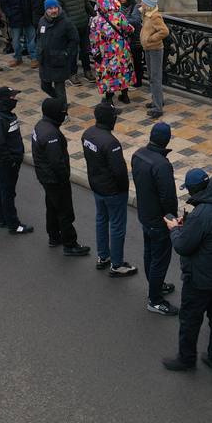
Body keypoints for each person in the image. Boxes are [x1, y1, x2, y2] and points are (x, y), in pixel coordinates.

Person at [162, 169, 212, 372]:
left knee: (189, 319)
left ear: (193, 190)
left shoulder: (201, 214)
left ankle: (186, 359)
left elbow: (183, 246)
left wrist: (175, 229)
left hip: (200, 278)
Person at [78, 100, 135, 275]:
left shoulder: (87, 134)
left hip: (97, 186)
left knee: (101, 220)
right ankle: (117, 264)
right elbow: (119, 171)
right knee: (117, 226)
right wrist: (124, 188)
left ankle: (103, 256)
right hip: (113, 191)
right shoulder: (111, 143)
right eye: (115, 116)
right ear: (110, 119)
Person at [31, 97, 91, 256]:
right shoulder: (51, 134)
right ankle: (70, 244)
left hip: (46, 177)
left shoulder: (40, 126)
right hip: (55, 180)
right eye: (63, 111)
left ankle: (54, 236)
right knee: (65, 211)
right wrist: (64, 178)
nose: (65, 114)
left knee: (52, 206)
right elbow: (57, 162)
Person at [132, 121, 179, 315]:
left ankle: (155, 285)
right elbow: (168, 197)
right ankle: (155, 299)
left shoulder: (138, 155)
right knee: (160, 259)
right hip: (159, 221)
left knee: (149, 253)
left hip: (145, 214)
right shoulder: (161, 165)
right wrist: (172, 219)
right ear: (166, 140)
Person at [0, 87, 34, 234]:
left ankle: (3, 219)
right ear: (5, 100)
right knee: (8, 192)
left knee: (3, 189)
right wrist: (12, 161)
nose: (15, 100)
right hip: (6, 163)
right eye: (12, 97)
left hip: (7, 161)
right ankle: (14, 224)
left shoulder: (4, 114)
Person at [90, 0, 136, 105]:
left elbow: (93, 39)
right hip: (121, 50)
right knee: (123, 70)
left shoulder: (96, 20)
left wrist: (95, 53)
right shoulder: (119, 15)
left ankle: (109, 99)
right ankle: (125, 96)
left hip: (106, 52)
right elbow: (128, 29)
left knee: (108, 74)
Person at [55, 0, 94, 81]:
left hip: (83, 26)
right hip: (71, 29)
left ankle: (87, 71)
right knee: (72, 52)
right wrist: (66, 22)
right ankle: (72, 73)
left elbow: (88, 6)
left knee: (85, 50)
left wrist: (96, 16)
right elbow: (56, 11)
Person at [36, 0, 77, 104]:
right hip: (45, 61)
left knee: (60, 90)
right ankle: (59, 102)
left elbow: (74, 39)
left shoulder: (66, 23)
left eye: (55, 8)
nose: (53, 10)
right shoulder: (42, 21)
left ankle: (63, 112)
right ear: (46, 10)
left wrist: (66, 53)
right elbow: (39, 37)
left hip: (59, 61)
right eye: (50, 8)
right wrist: (39, 50)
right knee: (44, 86)